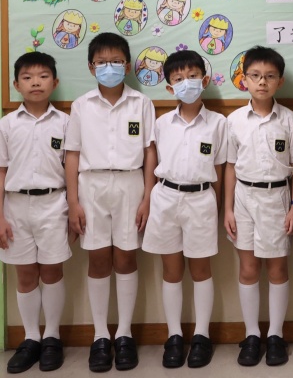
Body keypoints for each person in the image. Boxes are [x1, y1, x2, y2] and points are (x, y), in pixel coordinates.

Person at [65, 32, 157, 372]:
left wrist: (148, 196)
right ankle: (100, 336)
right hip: (91, 185)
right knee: (98, 258)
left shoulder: (141, 103)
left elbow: (150, 151)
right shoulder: (81, 105)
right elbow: (72, 155)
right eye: (102, 62)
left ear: (127, 66)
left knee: (126, 257)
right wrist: (73, 201)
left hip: (131, 183)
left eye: (116, 61)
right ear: (91, 67)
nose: (109, 67)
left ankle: (125, 334)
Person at [142, 50, 226, 369]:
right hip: (165, 198)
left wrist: (219, 207)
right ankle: (174, 335)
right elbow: (152, 163)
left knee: (201, 269)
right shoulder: (162, 123)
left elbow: (221, 169)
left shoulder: (218, 123)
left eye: (192, 76)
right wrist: (148, 199)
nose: (186, 83)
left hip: (202, 199)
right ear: (169, 87)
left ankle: (201, 335)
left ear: (204, 80)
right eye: (178, 79)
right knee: (171, 271)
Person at [224, 46, 293, 367]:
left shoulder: (288, 120)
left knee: (276, 268)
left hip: (277, 199)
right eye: (255, 76)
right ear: (244, 80)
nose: (262, 82)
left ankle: (275, 335)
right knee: (247, 269)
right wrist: (228, 209)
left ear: (280, 81)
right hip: (243, 199)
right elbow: (230, 166)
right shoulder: (234, 121)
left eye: (270, 76)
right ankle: (251, 335)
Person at [0, 52, 70, 373]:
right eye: (27, 78)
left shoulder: (65, 123)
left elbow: (72, 170)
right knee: (25, 274)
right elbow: (1, 171)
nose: (35, 83)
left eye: (43, 76)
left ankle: (52, 337)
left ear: (54, 82)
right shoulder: (7, 124)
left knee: (52, 271)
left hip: (54, 204)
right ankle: (31, 338)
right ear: (16, 85)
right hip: (15, 207)